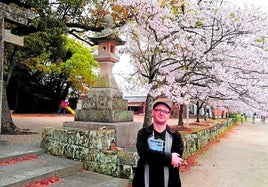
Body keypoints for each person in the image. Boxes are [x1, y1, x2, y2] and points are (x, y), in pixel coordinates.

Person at [132, 100, 184, 187]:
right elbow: (144, 154)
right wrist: (169, 157)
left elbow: (176, 161)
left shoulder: (175, 136)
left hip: (169, 182)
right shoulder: (143, 133)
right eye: (159, 110)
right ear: (153, 112)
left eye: (165, 111)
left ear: (169, 115)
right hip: (145, 181)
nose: (162, 113)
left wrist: (153, 157)